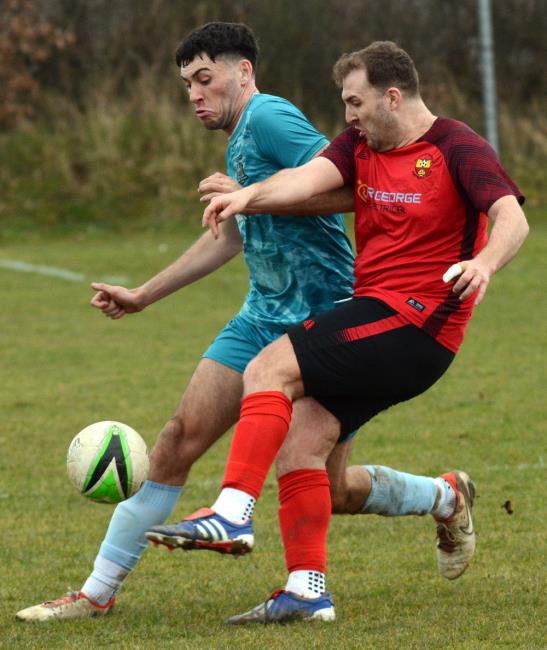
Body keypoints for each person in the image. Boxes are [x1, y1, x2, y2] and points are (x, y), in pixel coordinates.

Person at [147, 41, 529, 625]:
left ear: (392, 96)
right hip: (375, 315)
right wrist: (249, 195)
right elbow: (306, 181)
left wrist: (484, 264)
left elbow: (512, 217)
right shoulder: (358, 146)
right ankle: (309, 589)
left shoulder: (457, 147)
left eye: (355, 102)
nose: (347, 115)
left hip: (419, 323)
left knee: (268, 368)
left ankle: (230, 511)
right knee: (302, 449)